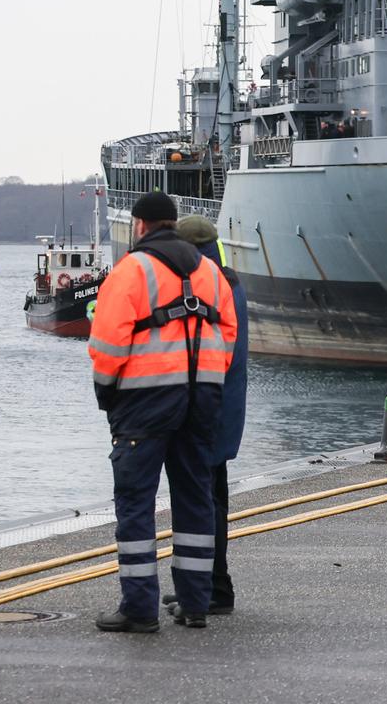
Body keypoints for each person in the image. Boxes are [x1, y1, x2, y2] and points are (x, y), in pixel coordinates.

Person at [89, 191, 237, 633]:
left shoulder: (130, 271)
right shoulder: (211, 271)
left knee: (136, 501)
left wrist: (107, 394)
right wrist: (209, 377)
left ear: (139, 226)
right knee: (195, 498)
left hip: (144, 401)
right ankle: (195, 604)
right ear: (173, 223)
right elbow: (227, 334)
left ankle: (138, 609)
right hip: (202, 400)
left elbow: (108, 344)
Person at [172, 214, 248, 618]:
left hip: (209, 410)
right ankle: (202, 583)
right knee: (211, 497)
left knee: (205, 502)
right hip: (225, 408)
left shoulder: (210, 287)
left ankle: (216, 588)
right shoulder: (231, 281)